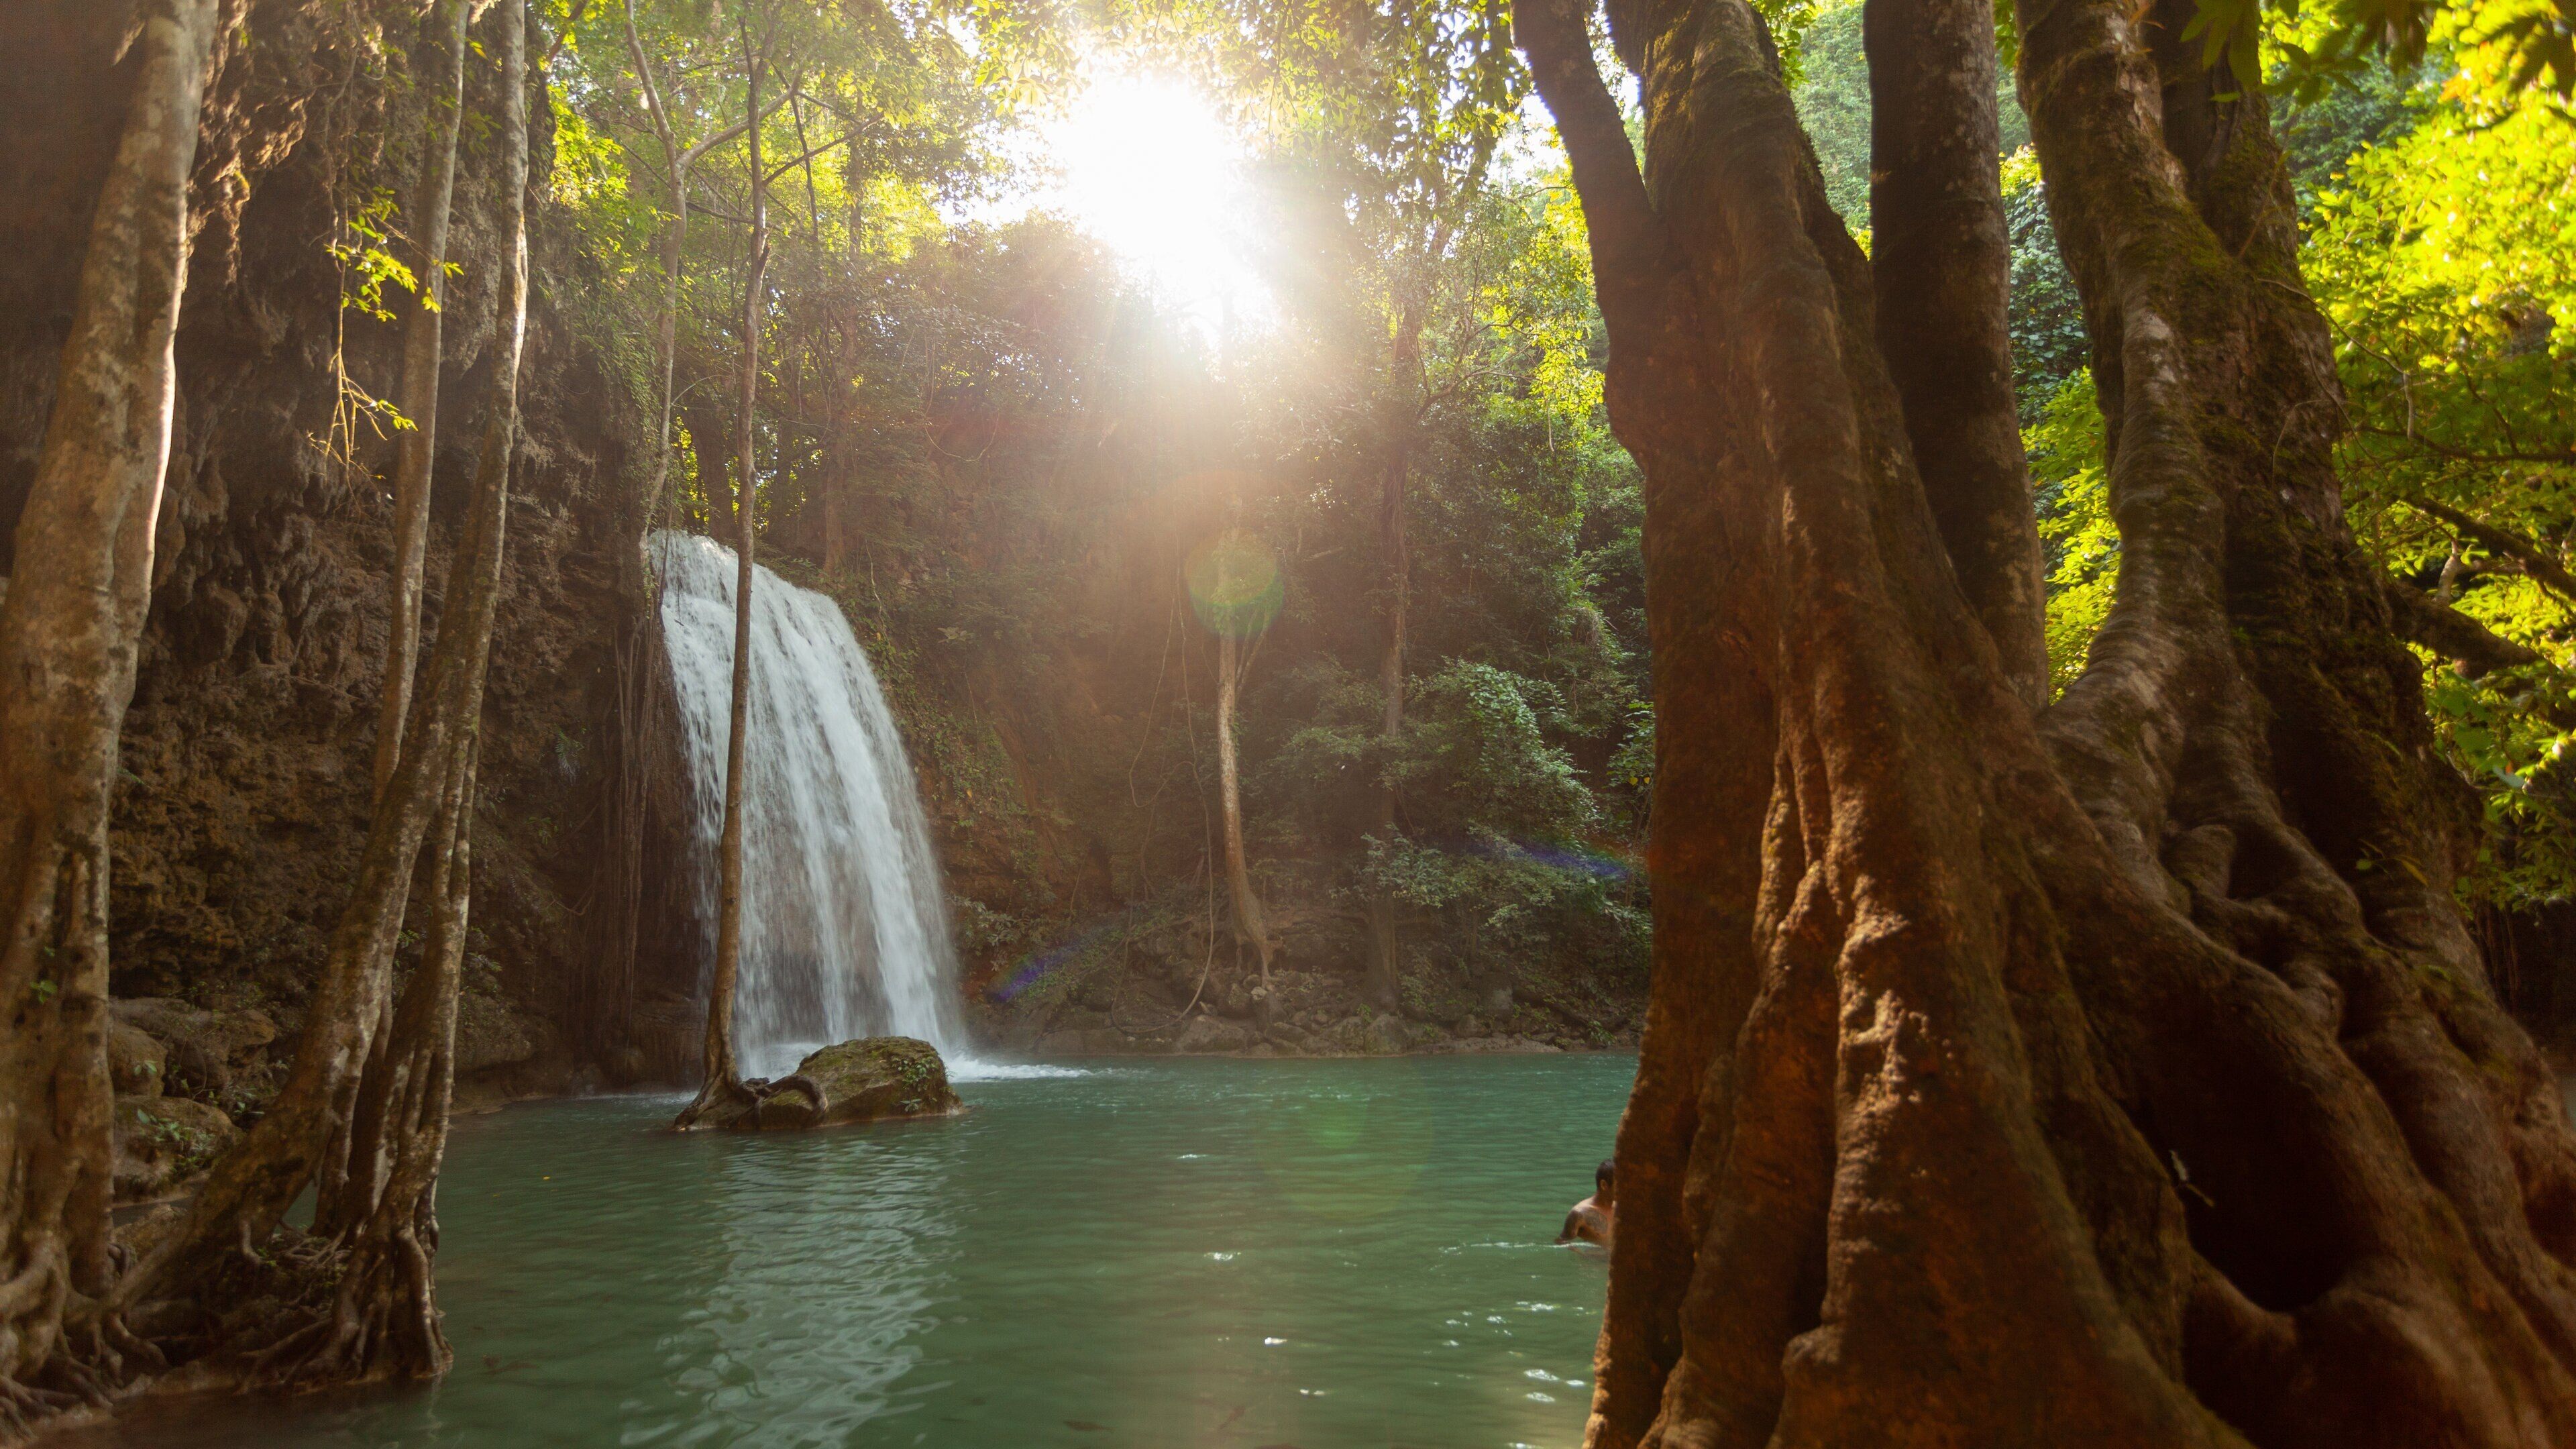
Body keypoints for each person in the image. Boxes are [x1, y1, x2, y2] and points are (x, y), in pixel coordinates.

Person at [1558, 1159, 1614, 1248]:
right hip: (1593, 1261)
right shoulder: (1579, 1214)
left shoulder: (1622, 1208)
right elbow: (1562, 1242)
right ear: (1604, 1185)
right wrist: (1583, 1255)